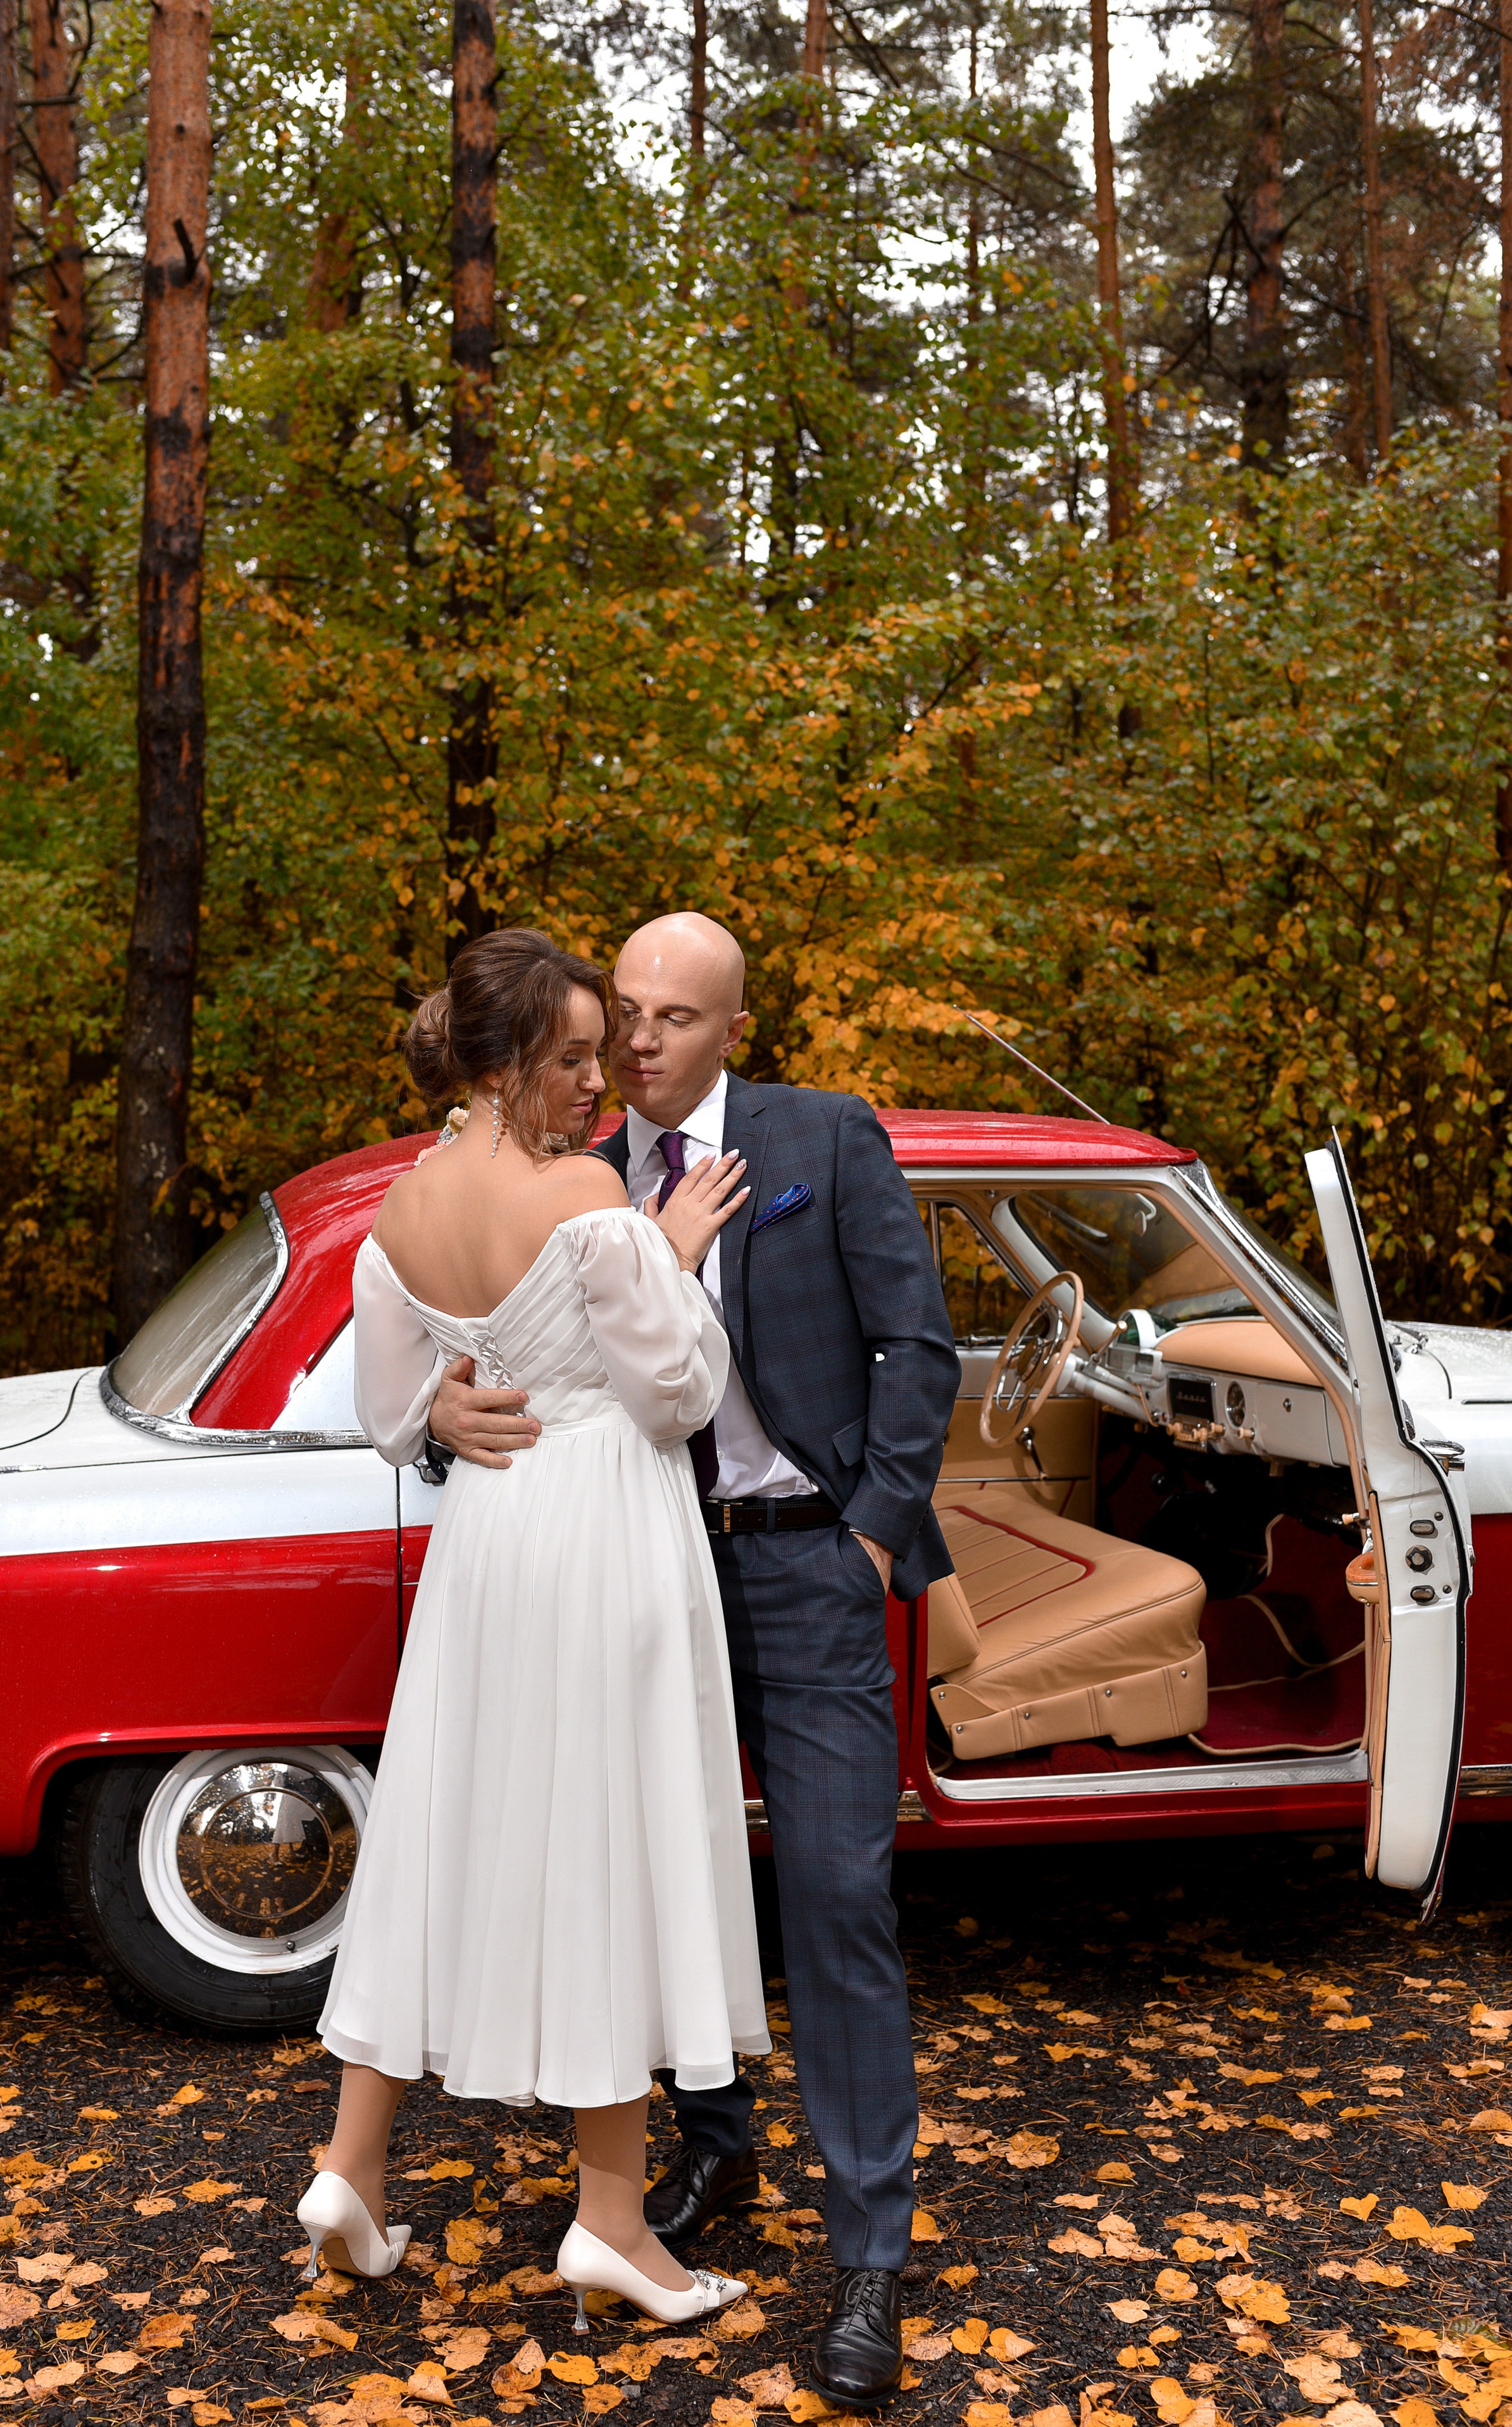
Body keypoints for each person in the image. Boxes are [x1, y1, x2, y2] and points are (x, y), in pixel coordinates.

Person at [427, 912, 961, 2407]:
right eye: (625, 1012)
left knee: (837, 1897)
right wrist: (436, 1421)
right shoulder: (568, 1167)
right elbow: (466, 1344)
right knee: (645, 1875)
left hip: (803, 1566)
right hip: (626, 1567)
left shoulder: (821, 1137)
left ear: (732, 1029)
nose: (639, 1039)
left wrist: (869, 1535)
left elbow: (915, 1346)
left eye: (674, 1016)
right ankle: (715, 2153)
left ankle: (869, 2255)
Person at [299, 927, 771, 2335]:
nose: (596, 1082)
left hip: (489, 1550)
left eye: (597, 1054)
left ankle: (349, 2169)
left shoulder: (400, 1209)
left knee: (450, 1830)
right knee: (603, 1844)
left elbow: (391, 1418)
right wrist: (673, 1253)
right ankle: (612, 2225)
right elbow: (675, 1395)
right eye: (570, 1058)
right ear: (501, 1063)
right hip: (604, 1530)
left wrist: (448, 1405)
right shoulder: (591, 1197)